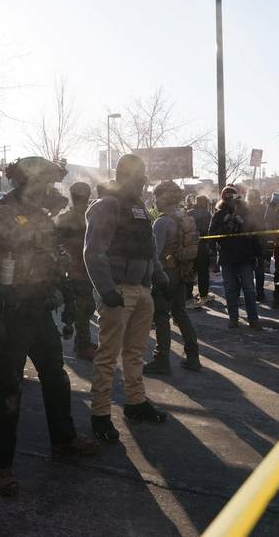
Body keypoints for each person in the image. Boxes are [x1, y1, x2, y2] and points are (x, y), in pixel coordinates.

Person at [0, 157, 97, 497]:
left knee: (55, 376)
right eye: (44, 183)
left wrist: (63, 289)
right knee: (8, 390)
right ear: (28, 182)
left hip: (39, 311)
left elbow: (52, 259)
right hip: (8, 315)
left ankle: (64, 439)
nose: (50, 190)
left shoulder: (43, 217)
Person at [84, 154, 169, 443]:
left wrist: (159, 276)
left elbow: (150, 247)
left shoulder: (140, 207)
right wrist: (107, 290)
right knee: (108, 355)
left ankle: (135, 403)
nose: (143, 182)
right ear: (124, 176)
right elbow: (93, 250)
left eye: (144, 176)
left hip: (141, 290)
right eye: (138, 176)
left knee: (135, 353)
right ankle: (100, 415)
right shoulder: (109, 205)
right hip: (118, 290)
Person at [144, 181, 202, 374]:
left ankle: (161, 360)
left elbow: (154, 253)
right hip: (182, 273)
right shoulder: (184, 218)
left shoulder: (161, 223)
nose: (154, 201)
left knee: (161, 316)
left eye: (156, 197)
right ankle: (193, 357)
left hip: (165, 275)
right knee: (180, 314)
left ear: (163, 198)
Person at [208, 185, 263, 329]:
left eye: (232, 195)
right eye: (226, 195)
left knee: (249, 289)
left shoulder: (246, 212)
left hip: (245, 256)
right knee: (230, 288)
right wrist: (224, 225)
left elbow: (254, 232)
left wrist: (258, 254)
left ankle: (253, 319)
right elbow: (212, 235)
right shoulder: (219, 214)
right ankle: (233, 318)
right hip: (227, 257)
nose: (229, 198)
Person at [56, 182, 98, 360]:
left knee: (79, 306)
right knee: (84, 307)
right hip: (82, 269)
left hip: (70, 268)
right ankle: (82, 345)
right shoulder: (92, 216)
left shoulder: (64, 218)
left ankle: (81, 341)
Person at [185, 195, 213, 307]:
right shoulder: (207, 214)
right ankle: (204, 295)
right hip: (202, 246)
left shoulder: (188, 213)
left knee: (190, 271)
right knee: (203, 272)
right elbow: (210, 230)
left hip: (190, 245)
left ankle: (188, 297)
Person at [246, 188, 268, 302]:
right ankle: (256, 292)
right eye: (251, 197)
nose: (252, 200)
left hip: (258, 243)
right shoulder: (245, 209)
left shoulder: (263, 209)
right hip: (250, 243)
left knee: (258, 270)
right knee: (250, 271)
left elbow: (267, 224)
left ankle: (259, 292)